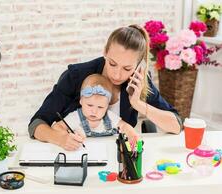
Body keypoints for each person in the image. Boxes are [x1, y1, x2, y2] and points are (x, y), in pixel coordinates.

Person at [28, 24, 182, 150]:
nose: (117, 74)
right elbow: (36, 124)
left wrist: (138, 104)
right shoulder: (76, 75)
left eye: (127, 69)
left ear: (138, 65)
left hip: (117, 156)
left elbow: (176, 126)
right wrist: (60, 139)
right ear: (105, 52)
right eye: (112, 63)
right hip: (76, 153)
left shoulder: (138, 81)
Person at [52, 74, 139, 150]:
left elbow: (124, 126)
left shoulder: (109, 116)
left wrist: (132, 135)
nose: (94, 111)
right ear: (81, 101)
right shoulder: (75, 117)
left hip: (107, 152)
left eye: (100, 107)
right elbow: (56, 127)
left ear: (107, 106)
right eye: (89, 105)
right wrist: (68, 136)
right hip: (82, 152)